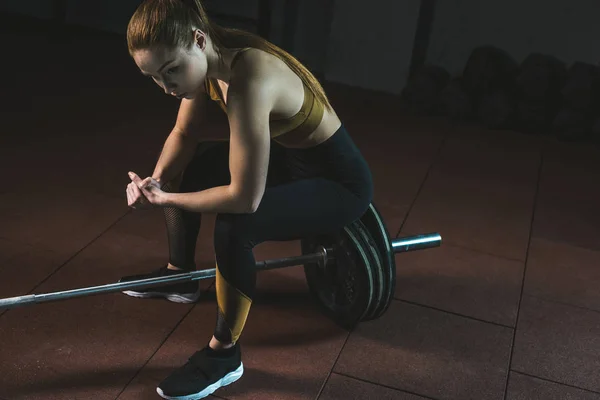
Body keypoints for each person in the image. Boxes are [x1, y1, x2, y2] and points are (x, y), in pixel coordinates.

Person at [120, 0, 374, 398]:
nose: (168, 86)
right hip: (288, 161)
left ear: (198, 40)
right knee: (195, 165)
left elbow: (244, 199)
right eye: (153, 77)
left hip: (338, 183)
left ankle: (224, 355)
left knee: (236, 226)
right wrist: (156, 182)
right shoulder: (205, 63)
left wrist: (169, 199)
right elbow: (184, 136)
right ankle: (179, 275)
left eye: (171, 71)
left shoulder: (249, 80)